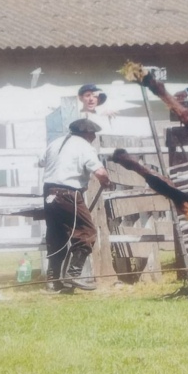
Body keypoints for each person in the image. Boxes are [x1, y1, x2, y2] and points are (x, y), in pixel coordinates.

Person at [42, 118, 114, 292]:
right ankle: (73, 275)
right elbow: (100, 171)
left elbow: (41, 162)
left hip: (49, 192)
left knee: (56, 235)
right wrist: (106, 181)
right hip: (68, 193)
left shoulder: (55, 143)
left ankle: (53, 281)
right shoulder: (83, 146)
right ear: (86, 133)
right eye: (92, 134)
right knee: (87, 232)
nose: (94, 137)